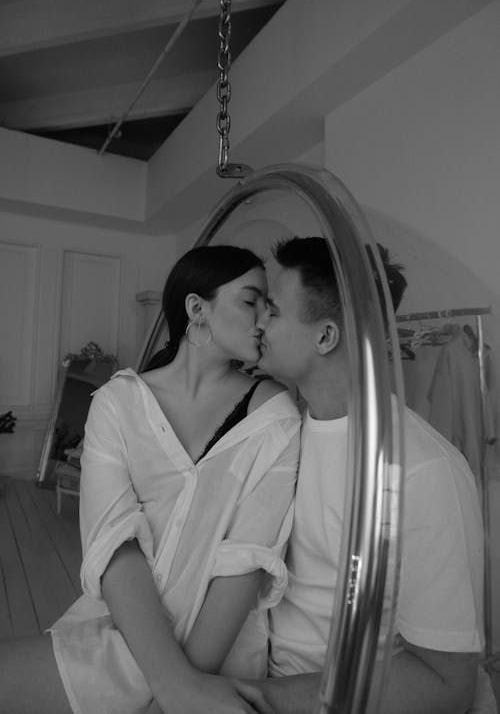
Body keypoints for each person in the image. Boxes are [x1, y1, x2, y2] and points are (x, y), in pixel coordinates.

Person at [0, 245, 301, 714]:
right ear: (197, 309)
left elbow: (248, 561)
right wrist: (175, 685)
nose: (263, 318)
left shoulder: (275, 415)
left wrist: (185, 691)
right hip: (124, 629)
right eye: (250, 300)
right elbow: (114, 543)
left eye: (268, 305)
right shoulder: (117, 403)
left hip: (218, 654)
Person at [245, 236, 494, 714]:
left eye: (272, 311)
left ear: (326, 337)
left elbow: (445, 682)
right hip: (256, 665)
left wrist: (257, 700)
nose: (258, 323)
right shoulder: (283, 430)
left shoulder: (422, 470)